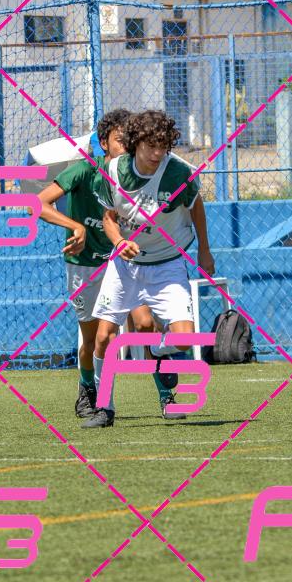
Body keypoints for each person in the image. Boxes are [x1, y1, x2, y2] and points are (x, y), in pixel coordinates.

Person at [37, 109, 175, 418]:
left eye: (131, 141)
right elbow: (39, 203)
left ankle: (167, 395)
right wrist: (75, 226)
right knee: (93, 339)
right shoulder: (84, 171)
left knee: (145, 324)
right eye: (120, 140)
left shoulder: (140, 176)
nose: (127, 147)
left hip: (123, 262)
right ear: (103, 143)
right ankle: (88, 389)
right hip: (85, 264)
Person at [82, 109, 215, 429]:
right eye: (150, 146)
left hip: (167, 264)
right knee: (103, 338)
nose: (157, 154)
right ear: (135, 143)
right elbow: (108, 218)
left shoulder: (178, 172)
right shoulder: (114, 171)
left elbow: (196, 204)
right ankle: (104, 407)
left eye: (163, 146)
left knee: (184, 338)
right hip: (125, 266)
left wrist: (204, 249)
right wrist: (118, 242)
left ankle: (157, 350)